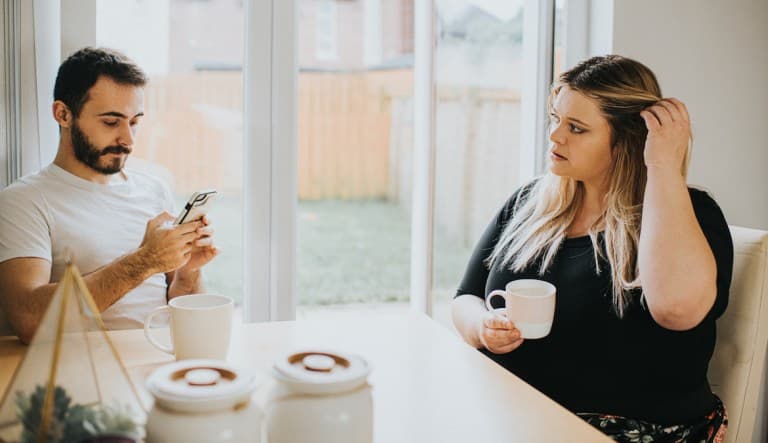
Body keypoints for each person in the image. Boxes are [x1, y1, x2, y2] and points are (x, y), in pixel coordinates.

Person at [452, 55, 732, 442]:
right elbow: (465, 297)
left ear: (627, 140)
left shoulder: (690, 213)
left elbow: (677, 311)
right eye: (555, 119)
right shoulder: (528, 202)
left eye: (577, 128)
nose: (555, 136)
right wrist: (482, 328)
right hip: (517, 415)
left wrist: (663, 166)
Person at [0, 47, 218, 344]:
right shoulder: (24, 202)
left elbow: (180, 310)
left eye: (135, 122)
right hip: (90, 376)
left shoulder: (154, 190)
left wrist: (188, 273)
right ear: (63, 114)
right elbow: (28, 320)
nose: (128, 139)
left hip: (162, 361)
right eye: (111, 122)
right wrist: (144, 261)